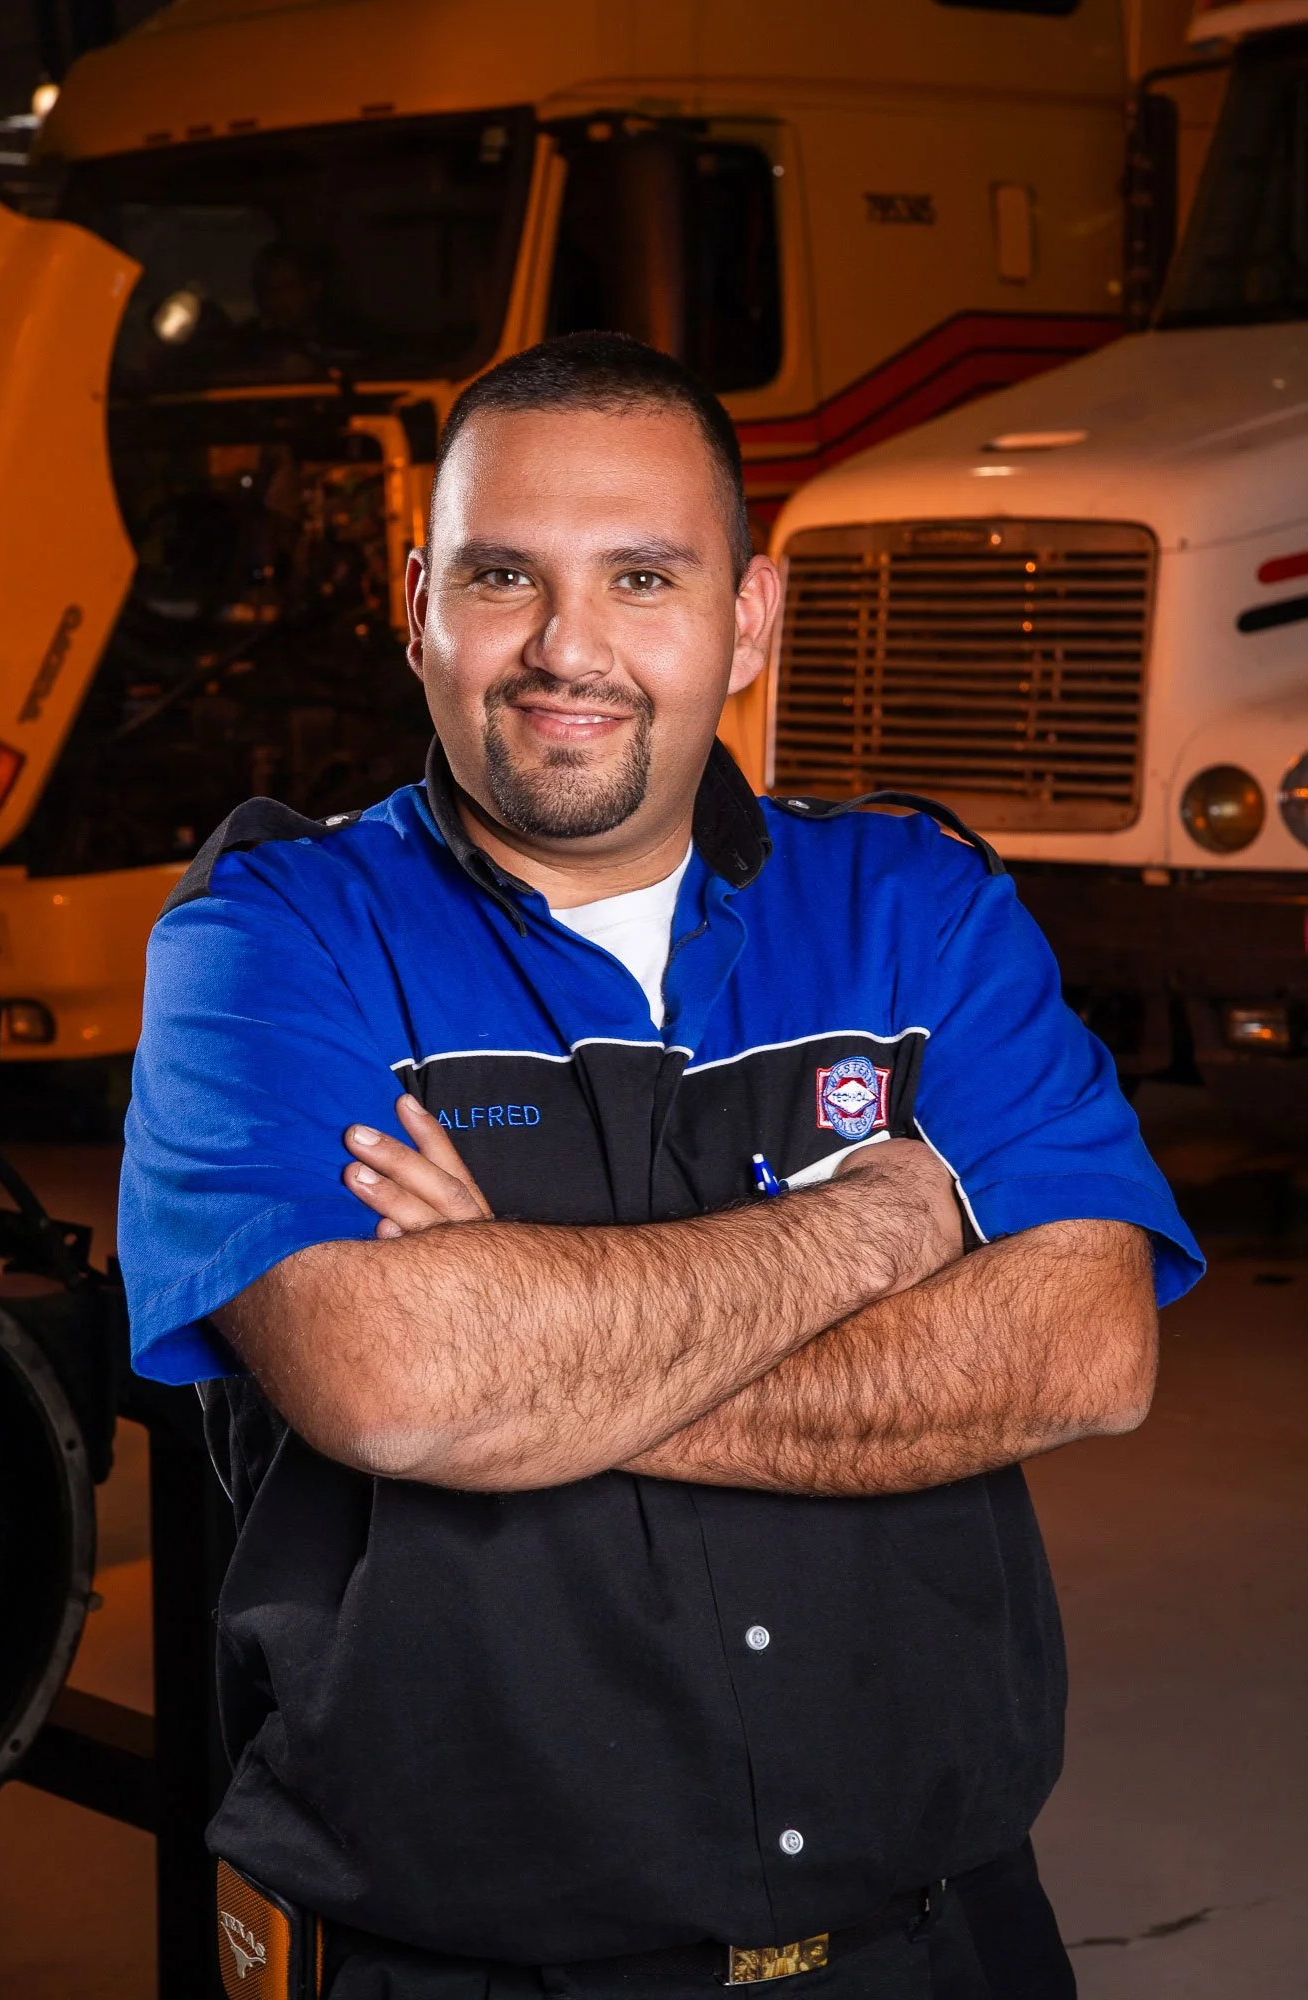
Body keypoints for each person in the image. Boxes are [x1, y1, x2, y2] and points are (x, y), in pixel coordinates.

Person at [118, 331, 1203, 2000]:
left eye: (642, 576)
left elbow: (1091, 1345)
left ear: (747, 621)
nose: (569, 647)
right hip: (456, 1964)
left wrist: (545, 1365)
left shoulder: (918, 907)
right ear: (416, 602)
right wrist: (871, 1238)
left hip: (938, 1943)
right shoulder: (268, 943)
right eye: (504, 575)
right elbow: (399, 1387)